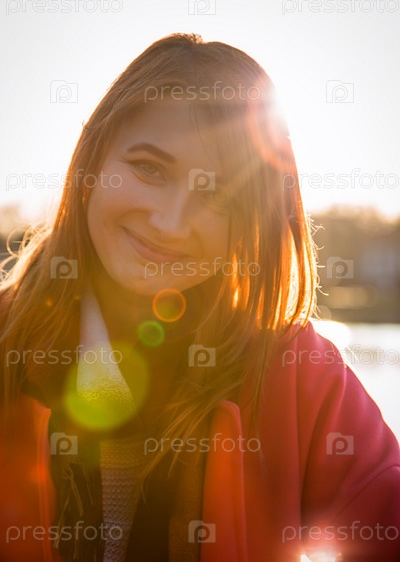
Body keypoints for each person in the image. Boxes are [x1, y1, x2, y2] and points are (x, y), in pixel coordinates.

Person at [0, 33, 399, 562]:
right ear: (92, 159)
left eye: (216, 194)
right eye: (149, 168)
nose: (170, 222)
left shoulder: (296, 372)